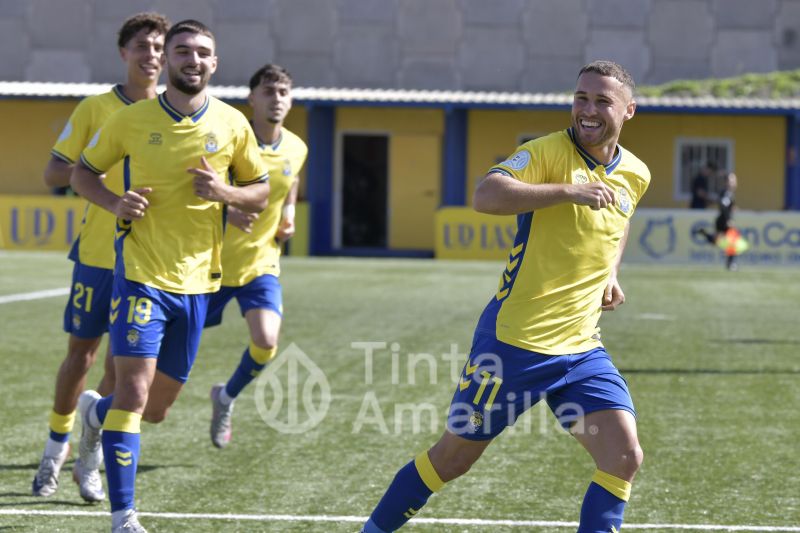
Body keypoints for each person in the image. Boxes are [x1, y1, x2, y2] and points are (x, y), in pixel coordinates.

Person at [361, 60, 650, 533]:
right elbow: (487, 194)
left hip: (581, 351)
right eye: (581, 98)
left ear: (629, 110)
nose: (588, 110)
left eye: (602, 101)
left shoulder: (636, 173)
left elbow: (620, 220)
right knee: (452, 459)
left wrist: (610, 273)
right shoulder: (545, 152)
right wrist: (566, 192)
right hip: (514, 345)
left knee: (623, 456)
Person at [69, 20, 269, 533]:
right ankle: (123, 517)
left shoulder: (232, 124)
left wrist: (223, 194)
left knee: (154, 410)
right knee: (133, 396)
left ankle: (93, 417)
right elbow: (80, 173)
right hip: (140, 273)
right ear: (170, 60)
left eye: (203, 52)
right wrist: (116, 201)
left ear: (215, 63)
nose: (193, 60)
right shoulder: (132, 120)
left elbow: (259, 193)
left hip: (201, 283)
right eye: (183, 51)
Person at [32, 12, 170, 503]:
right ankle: (55, 449)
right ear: (123, 53)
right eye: (141, 46)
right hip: (97, 253)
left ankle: (88, 461)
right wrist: (99, 170)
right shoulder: (96, 108)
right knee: (81, 355)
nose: (151, 54)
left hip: (150, 259)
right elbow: (56, 172)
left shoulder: (179, 113)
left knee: (120, 368)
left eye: (159, 46)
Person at [205, 64, 307, 448]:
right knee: (163, 362)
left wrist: (289, 214)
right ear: (251, 98)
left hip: (260, 264)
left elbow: (290, 180)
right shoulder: (229, 140)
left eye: (283, 92)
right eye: (268, 91)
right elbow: (197, 188)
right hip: (208, 267)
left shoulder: (297, 147)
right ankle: (115, 421)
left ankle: (226, 397)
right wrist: (228, 208)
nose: (276, 99)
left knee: (266, 342)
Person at [694, 172, 742, 270]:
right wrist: (728, 219)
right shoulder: (727, 193)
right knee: (733, 241)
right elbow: (723, 205)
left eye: (734, 180)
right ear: (727, 182)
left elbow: (725, 204)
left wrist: (733, 207)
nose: (734, 182)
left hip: (721, 220)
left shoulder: (728, 193)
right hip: (723, 221)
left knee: (718, 241)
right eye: (732, 180)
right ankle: (731, 264)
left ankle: (705, 233)